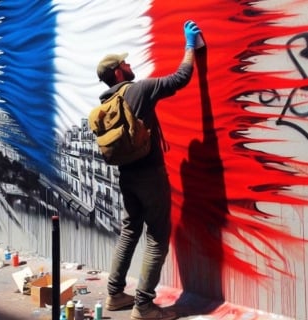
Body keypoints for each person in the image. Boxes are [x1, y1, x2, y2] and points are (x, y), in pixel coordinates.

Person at [95, 20, 202, 320]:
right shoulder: (140, 89)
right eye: (125, 62)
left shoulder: (106, 102)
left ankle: (115, 294)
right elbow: (182, 77)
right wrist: (189, 45)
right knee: (157, 237)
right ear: (118, 71)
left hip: (126, 176)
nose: (130, 64)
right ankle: (144, 305)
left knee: (129, 231)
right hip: (151, 176)